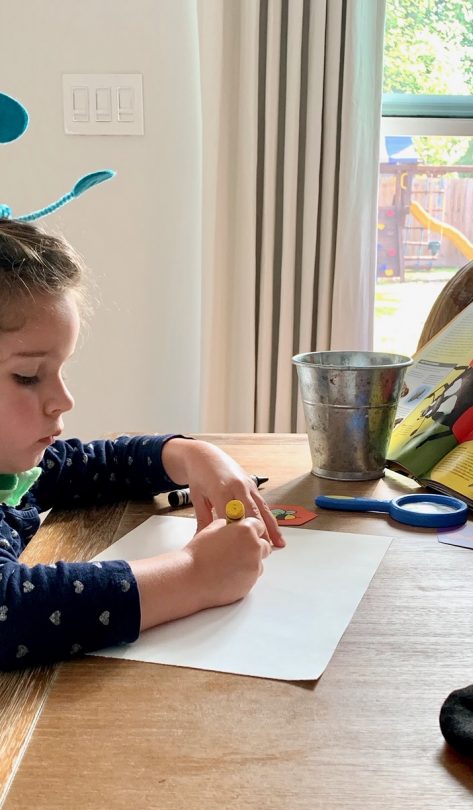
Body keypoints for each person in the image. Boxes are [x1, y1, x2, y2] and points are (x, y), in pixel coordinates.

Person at [0, 218, 285, 671]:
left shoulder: (11, 465)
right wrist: (195, 573)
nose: (64, 400)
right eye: (28, 376)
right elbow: (11, 612)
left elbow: (96, 464)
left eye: (61, 370)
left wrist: (193, 456)